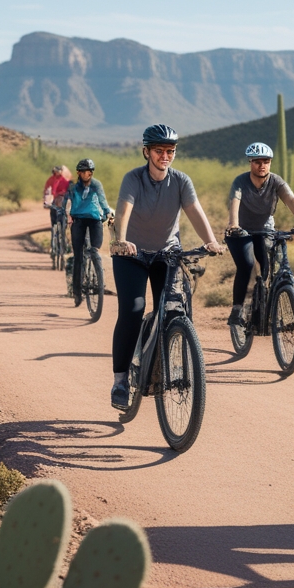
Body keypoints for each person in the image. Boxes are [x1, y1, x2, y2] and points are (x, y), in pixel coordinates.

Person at [109, 124, 225, 409]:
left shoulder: (181, 181)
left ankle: (172, 361)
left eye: (170, 151)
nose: (165, 156)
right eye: (159, 150)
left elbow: (194, 212)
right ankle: (121, 380)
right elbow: (123, 210)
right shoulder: (133, 178)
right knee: (133, 311)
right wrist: (121, 240)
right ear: (146, 151)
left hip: (167, 255)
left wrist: (211, 241)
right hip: (131, 255)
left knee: (175, 308)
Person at [224, 142, 294, 327]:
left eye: (266, 161)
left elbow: (291, 200)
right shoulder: (240, 181)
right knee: (247, 265)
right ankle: (237, 310)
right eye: (257, 162)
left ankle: (269, 310)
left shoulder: (276, 181)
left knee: (268, 269)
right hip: (240, 231)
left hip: (264, 230)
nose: (262, 165)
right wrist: (233, 224)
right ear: (250, 162)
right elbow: (235, 200)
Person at [61, 158, 115, 307]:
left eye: (90, 171)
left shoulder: (96, 184)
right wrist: (63, 214)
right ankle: (77, 292)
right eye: (85, 171)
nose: (88, 174)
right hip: (78, 221)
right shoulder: (73, 188)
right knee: (78, 257)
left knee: (94, 249)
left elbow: (103, 201)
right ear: (79, 173)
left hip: (94, 219)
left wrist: (107, 213)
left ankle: (96, 275)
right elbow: (66, 203)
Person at [43, 164, 71, 230]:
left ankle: (63, 226)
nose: (57, 173)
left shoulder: (63, 180)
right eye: (56, 171)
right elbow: (47, 188)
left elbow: (66, 189)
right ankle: (54, 226)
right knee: (53, 211)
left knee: (63, 211)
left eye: (58, 171)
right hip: (54, 198)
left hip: (61, 198)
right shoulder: (51, 179)